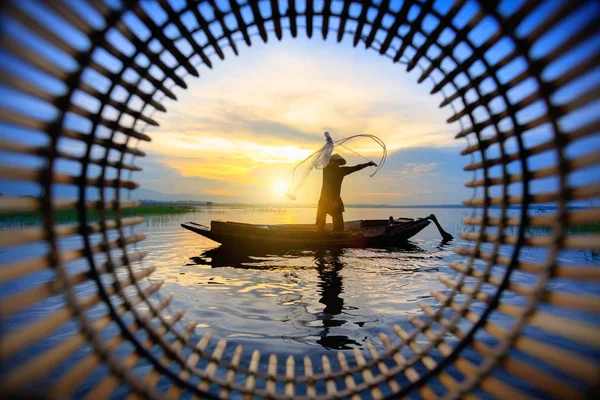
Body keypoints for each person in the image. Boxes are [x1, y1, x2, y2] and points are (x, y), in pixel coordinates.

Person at [316, 154, 376, 231]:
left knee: (339, 225)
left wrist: (368, 164)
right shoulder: (326, 169)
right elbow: (324, 156)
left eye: (338, 163)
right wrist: (329, 143)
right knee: (320, 222)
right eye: (335, 162)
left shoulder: (341, 171)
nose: (337, 164)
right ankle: (320, 232)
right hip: (324, 199)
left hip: (335, 200)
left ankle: (338, 234)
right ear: (331, 162)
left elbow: (355, 168)